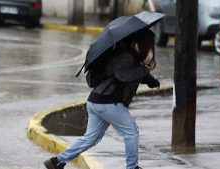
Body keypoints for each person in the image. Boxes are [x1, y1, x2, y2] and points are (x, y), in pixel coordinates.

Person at [44, 28, 160, 169]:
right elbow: (123, 75)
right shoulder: (125, 56)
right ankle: (132, 167)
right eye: (150, 44)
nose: (151, 49)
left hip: (96, 101)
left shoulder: (130, 56)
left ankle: (56, 161)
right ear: (144, 43)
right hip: (109, 102)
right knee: (131, 132)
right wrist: (145, 70)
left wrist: (150, 80)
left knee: (90, 139)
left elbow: (133, 72)